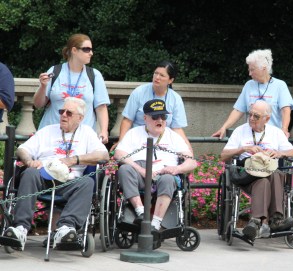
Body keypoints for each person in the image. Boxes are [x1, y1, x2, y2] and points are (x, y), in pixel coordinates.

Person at [2, 97, 109, 251]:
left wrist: (75, 159)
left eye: (69, 113)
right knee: (30, 172)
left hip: (70, 181)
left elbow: (103, 156)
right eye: (61, 111)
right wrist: (29, 160)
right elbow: (22, 149)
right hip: (43, 177)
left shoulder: (87, 133)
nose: (63, 115)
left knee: (88, 182)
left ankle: (66, 229)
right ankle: (20, 229)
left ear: (80, 118)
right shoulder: (47, 131)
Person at [115, 99, 197, 234]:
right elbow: (119, 154)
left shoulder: (173, 136)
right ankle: (141, 212)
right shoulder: (134, 133)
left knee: (168, 179)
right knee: (124, 169)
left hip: (164, 174)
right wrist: (140, 169)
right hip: (138, 173)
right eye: (155, 117)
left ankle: (155, 224)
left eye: (163, 116)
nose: (160, 120)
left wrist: (176, 169)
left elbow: (192, 162)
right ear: (145, 118)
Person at [220, 100, 293, 240]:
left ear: (266, 119)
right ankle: (273, 220)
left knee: (271, 176)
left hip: (268, 170)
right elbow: (223, 156)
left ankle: (262, 221)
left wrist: (280, 153)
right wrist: (243, 149)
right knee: (269, 177)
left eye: (256, 116)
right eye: (250, 114)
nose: (251, 118)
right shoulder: (240, 131)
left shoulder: (275, 132)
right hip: (247, 173)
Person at [33, 33, 110, 144]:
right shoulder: (55, 71)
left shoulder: (94, 75)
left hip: (82, 137)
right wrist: (43, 87)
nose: (91, 53)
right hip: (52, 134)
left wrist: (104, 131)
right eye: (86, 49)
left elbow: (101, 107)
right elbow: (38, 104)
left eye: (91, 49)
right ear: (74, 50)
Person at [212, 49, 293, 139]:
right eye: (249, 70)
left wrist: (284, 129)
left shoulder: (280, 85)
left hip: (273, 136)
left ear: (264, 68)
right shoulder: (249, 85)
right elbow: (238, 110)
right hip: (251, 136)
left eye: (252, 70)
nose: (250, 73)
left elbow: (286, 110)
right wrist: (224, 128)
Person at [117, 61, 191, 151]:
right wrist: (121, 144)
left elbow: (177, 128)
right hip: (138, 139)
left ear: (170, 80)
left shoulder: (176, 98)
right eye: (156, 73)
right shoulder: (139, 92)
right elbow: (127, 120)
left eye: (162, 75)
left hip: (164, 142)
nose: (157, 77)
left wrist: (188, 149)